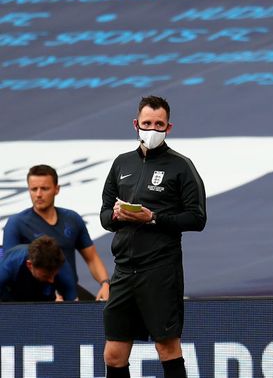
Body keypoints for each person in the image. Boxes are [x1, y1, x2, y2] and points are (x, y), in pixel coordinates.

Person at [99, 95, 207, 378]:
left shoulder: (181, 166)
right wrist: (117, 216)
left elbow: (197, 218)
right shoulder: (121, 164)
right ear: (136, 124)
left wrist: (154, 217)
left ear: (168, 128)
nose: (153, 129)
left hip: (160, 271)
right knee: (113, 353)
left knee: (167, 348)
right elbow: (104, 217)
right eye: (147, 123)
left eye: (159, 124)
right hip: (123, 271)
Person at [2, 164, 111, 301]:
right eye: (34, 189)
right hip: (30, 296)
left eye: (44, 188)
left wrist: (105, 283)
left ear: (56, 189)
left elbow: (92, 258)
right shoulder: (15, 223)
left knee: (95, 316)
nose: (38, 194)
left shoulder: (72, 219)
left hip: (67, 287)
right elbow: (11, 270)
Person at [0, 235, 77, 302]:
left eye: (55, 274)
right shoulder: (10, 264)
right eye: (46, 275)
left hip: (44, 297)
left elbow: (74, 306)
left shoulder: (61, 265)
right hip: (11, 296)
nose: (52, 280)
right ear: (29, 265)